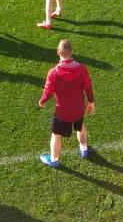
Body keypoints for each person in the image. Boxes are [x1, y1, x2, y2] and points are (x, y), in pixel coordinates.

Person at [39, 39, 95, 168]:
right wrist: (91, 102)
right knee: (80, 126)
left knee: (56, 135)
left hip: (62, 112)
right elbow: (88, 87)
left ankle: (53, 160)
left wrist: (42, 100)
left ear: (57, 52)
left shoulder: (53, 73)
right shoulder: (82, 69)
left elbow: (48, 91)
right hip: (78, 109)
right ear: (72, 52)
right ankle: (84, 149)